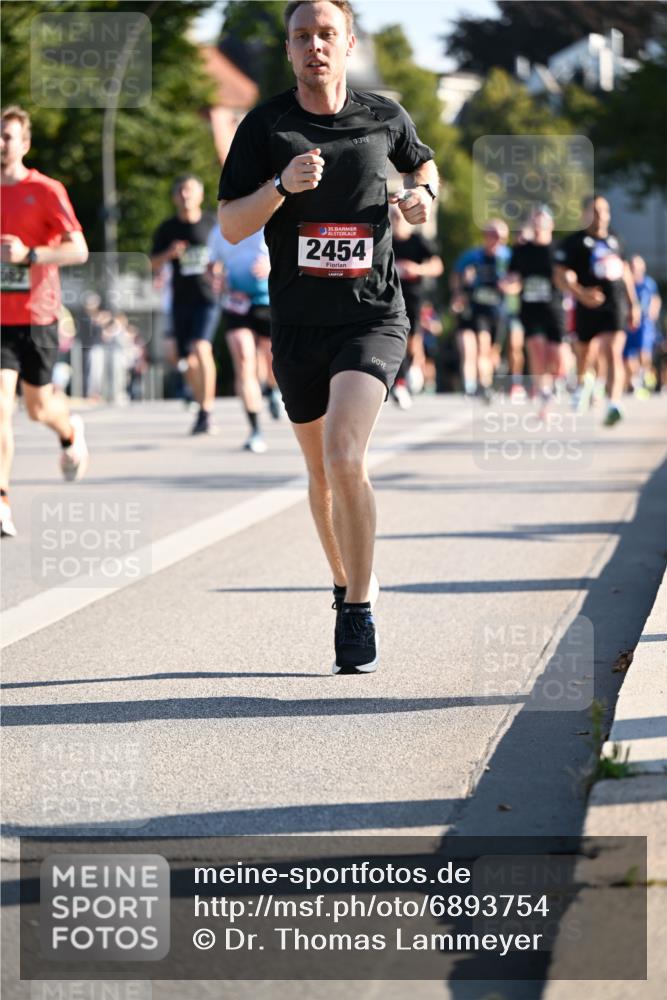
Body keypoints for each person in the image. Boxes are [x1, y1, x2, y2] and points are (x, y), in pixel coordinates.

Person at [217, 0, 437, 673]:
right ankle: (343, 580)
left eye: (326, 35)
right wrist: (280, 187)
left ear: (348, 43)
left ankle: (359, 607)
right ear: (288, 49)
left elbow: (423, 174)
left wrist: (422, 201)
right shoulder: (266, 126)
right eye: (301, 36)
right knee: (319, 472)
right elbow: (230, 224)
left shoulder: (383, 117)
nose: (315, 46)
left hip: (372, 316)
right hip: (296, 323)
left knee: (345, 456)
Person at [1, 105, 89, 538]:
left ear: (24, 143)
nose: (1, 145)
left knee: (37, 409)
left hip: (38, 316)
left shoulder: (46, 190)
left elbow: (79, 250)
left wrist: (30, 255)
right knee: (1, 407)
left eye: (7, 136)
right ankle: (2, 500)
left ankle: (70, 430)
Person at [554, 194, 641, 426]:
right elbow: (560, 276)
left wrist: (633, 304)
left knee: (613, 352)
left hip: (615, 304)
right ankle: (585, 384)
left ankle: (614, 404)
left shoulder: (615, 240)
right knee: (585, 355)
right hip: (586, 306)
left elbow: (625, 272)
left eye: (604, 211)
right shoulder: (573, 243)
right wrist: (581, 293)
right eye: (595, 211)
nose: (601, 216)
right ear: (585, 215)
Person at [150, 175, 219, 435]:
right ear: (174, 197)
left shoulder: (213, 224)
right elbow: (151, 264)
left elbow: (228, 250)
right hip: (180, 300)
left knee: (201, 348)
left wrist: (220, 268)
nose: (185, 195)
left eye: (190, 190)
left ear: (201, 195)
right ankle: (199, 402)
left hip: (207, 298)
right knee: (186, 361)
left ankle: (207, 411)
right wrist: (169, 254)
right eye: (180, 191)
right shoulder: (167, 229)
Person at [207, 226, 282, 453]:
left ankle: (273, 389)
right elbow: (211, 266)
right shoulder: (221, 229)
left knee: (271, 360)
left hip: (268, 300)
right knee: (243, 360)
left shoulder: (270, 219)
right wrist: (216, 278)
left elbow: (292, 255)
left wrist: (272, 266)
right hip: (236, 302)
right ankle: (255, 429)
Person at [506, 206, 565, 412]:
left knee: (556, 356)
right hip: (530, 307)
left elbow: (569, 276)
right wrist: (509, 285)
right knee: (536, 348)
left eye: (543, 220)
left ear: (551, 225)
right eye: (535, 220)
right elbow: (513, 277)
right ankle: (544, 393)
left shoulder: (559, 250)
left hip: (554, 307)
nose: (539, 224)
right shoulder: (521, 250)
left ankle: (557, 382)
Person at [450, 220, 511, 401]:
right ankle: (476, 386)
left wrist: (509, 286)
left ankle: (487, 382)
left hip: (498, 312)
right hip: (475, 309)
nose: (496, 240)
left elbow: (517, 279)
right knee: (473, 348)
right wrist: (458, 293)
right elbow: (456, 275)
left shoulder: (508, 257)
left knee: (491, 352)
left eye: (500, 237)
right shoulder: (472, 256)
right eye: (492, 235)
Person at [389, 204, 443, 407]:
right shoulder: (386, 241)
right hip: (390, 298)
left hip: (414, 297)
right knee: (397, 340)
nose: (397, 220)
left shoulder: (419, 241)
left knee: (413, 342)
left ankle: (413, 372)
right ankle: (399, 383)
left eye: (400, 216)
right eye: (393, 216)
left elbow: (437, 266)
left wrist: (417, 269)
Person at [623, 255, 661, 397]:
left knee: (644, 350)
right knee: (628, 354)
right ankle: (635, 379)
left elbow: (655, 299)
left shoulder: (648, 283)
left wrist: (653, 312)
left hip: (645, 322)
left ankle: (645, 374)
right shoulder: (627, 283)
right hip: (628, 323)